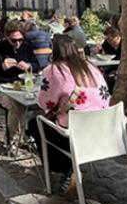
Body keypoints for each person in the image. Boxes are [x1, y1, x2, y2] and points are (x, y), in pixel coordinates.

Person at [27, 34, 110, 191]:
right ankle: (69, 166)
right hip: (103, 131)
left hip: (75, 134)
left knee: (35, 124)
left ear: (53, 51)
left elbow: (45, 102)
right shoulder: (91, 67)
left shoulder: (54, 70)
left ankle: (64, 167)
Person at [0, 20, 41, 143]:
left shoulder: (27, 47)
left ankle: (29, 135)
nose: (18, 43)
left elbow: (37, 66)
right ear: (6, 37)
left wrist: (29, 66)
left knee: (41, 102)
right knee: (16, 105)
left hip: (22, 86)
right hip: (1, 87)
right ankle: (13, 140)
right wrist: (1, 67)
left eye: (20, 40)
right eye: (14, 40)